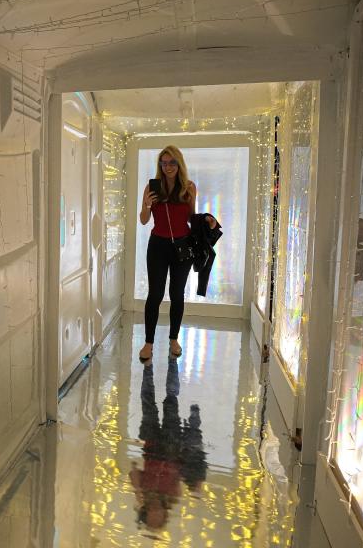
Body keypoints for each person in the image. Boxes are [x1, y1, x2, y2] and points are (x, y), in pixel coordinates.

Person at [138, 146, 211, 362]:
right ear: (160, 165)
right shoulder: (152, 187)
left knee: (177, 294)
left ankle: (173, 340)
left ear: (179, 164)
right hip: (158, 246)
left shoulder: (188, 188)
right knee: (155, 294)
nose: (168, 167)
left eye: (172, 163)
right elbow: (143, 220)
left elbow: (191, 218)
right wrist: (147, 205)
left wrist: (206, 220)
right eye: (164, 163)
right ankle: (148, 343)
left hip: (183, 246)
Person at [129, 358, 207, 532]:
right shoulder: (173, 495)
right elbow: (187, 474)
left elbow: (133, 467)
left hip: (152, 445)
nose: (155, 513)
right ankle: (173, 361)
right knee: (171, 400)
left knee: (147, 401)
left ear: (145, 512)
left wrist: (137, 491)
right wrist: (198, 485)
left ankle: (148, 367)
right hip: (172, 445)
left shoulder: (144, 491)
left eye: (151, 517)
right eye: (158, 518)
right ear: (165, 514)